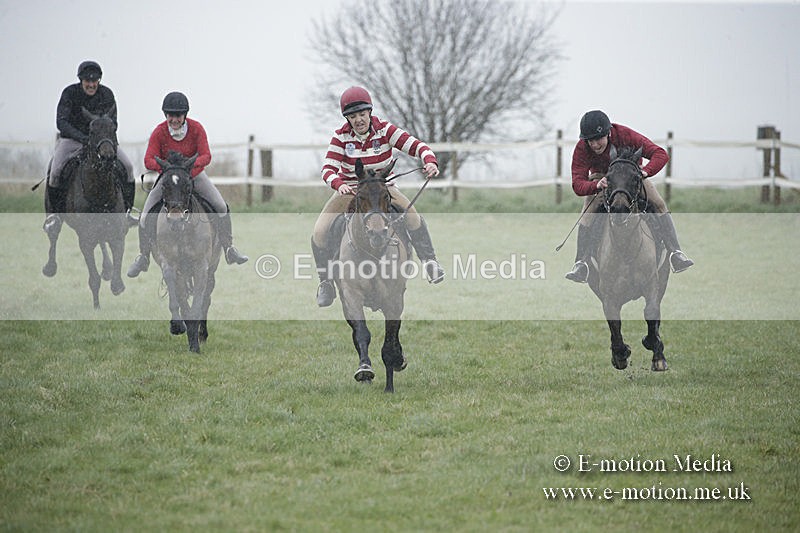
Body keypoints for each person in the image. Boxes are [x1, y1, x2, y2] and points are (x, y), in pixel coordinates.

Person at [312, 86, 445, 307]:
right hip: (351, 191)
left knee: (413, 218)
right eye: (352, 116)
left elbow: (418, 146)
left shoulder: (385, 130)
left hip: (383, 190)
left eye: (362, 115)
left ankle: (430, 262)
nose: (358, 120)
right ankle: (325, 282)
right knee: (319, 231)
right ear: (347, 118)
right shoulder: (340, 136)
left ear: (369, 112)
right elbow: (328, 169)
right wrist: (339, 184)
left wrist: (429, 161)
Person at [126, 91, 248, 277]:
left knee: (221, 206)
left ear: (185, 116)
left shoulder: (197, 129)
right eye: (170, 115)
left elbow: (206, 155)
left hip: (193, 175)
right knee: (144, 216)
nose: (174, 119)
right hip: (168, 179)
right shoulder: (159, 132)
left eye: (178, 115)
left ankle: (229, 249)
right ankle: (143, 257)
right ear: (165, 115)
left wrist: (189, 167)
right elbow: (148, 159)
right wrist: (166, 169)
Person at [565, 110, 694, 283]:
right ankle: (581, 263)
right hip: (601, 177)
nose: (595, 145)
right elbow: (577, 184)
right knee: (588, 213)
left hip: (631, 176)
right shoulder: (582, 148)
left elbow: (660, 154)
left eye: (599, 139)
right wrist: (595, 185)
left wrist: (645, 172)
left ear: (608, 133)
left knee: (659, 203)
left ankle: (675, 253)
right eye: (590, 140)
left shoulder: (625, 135)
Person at [44, 60, 135, 233]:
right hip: (72, 140)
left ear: (99, 81)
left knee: (129, 168)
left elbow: (113, 122)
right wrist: (82, 137)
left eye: (95, 81)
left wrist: (101, 138)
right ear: (81, 80)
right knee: (55, 171)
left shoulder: (107, 94)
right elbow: (61, 122)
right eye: (88, 81)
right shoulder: (69, 94)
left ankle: (127, 213)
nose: (91, 84)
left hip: (101, 142)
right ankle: (54, 216)